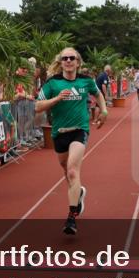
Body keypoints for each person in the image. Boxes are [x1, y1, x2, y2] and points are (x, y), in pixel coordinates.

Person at [35, 48, 107, 235]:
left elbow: (98, 94)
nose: (68, 61)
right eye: (65, 58)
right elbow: (37, 106)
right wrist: (57, 98)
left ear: (77, 62)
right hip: (59, 133)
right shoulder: (53, 83)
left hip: (79, 130)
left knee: (73, 171)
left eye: (71, 58)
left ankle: (71, 217)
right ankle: (79, 194)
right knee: (66, 171)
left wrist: (104, 110)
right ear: (61, 62)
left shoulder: (86, 81)